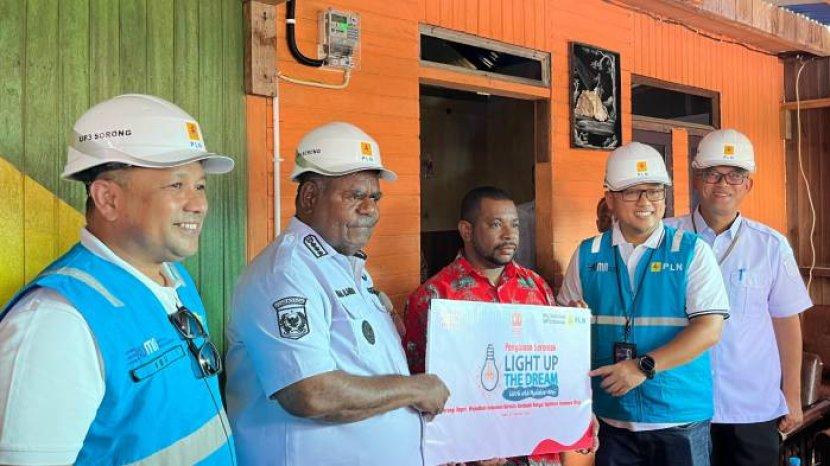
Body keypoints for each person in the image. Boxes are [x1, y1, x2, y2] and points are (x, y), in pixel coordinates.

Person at [0, 94, 237, 465]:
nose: (198, 204)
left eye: (200, 186)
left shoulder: (174, 277)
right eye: (177, 186)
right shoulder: (57, 323)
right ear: (108, 199)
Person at [225, 122, 450, 466]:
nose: (370, 209)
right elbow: (309, 393)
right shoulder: (286, 273)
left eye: (375, 197)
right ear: (310, 197)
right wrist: (414, 389)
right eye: (355, 196)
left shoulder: (343, 264)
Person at [557, 141, 729, 466]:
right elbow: (564, 328)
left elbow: (710, 330)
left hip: (679, 420)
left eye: (654, 191)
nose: (645, 201)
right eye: (632, 192)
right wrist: (570, 321)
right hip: (611, 419)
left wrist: (641, 367)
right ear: (610, 198)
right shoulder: (587, 254)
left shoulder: (692, 251)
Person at [405, 186, 595, 466]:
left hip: (538, 453)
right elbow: (417, 385)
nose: (509, 235)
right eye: (496, 224)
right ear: (466, 230)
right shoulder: (433, 297)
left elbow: (553, 368)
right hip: (472, 453)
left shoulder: (536, 286)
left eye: (514, 224)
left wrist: (577, 412)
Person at [665, 129, 812, 466]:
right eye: (713, 173)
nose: (723, 184)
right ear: (697, 178)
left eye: (735, 175)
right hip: (678, 402)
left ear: (748, 185)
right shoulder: (665, 238)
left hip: (751, 407)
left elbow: (786, 324)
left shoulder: (770, 245)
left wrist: (792, 396)